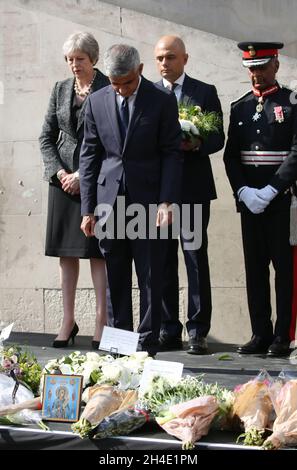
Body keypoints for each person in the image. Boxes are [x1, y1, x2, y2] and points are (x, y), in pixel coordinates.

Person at [79, 44, 182, 356]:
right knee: (116, 275)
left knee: (151, 274)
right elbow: (89, 156)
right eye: (115, 83)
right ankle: (118, 344)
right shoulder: (97, 101)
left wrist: (166, 201)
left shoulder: (162, 100)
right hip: (109, 202)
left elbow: (171, 153)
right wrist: (88, 209)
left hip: (148, 203)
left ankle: (148, 343)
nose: (121, 90)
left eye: (127, 82)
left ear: (139, 70)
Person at [224, 41, 297, 357]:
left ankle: (282, 336)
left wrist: (271, 190)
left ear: (276, 66)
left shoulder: (291, 104)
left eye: (262, 67)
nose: (256, 74)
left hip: (279, 201)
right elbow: (231, 157)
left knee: (284, 271)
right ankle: (260, 333)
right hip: (250, 201)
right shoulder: (239, 107)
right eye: (251, 69)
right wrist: (243, 191)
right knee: (255, 270)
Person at [154, 36, 225, 354]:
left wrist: (197, 142)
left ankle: (197, 330)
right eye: (159, 58)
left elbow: (218, 136)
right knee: (163, 260)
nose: (164, 63)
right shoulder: (149, 93)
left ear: (185, 58)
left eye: (170, 57)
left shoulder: (204, 91)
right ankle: (169, 329)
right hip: (161, 194)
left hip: (193, 190)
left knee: (195, 259)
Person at [39, 32, 109, 349]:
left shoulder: (109, 87)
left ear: (93, 59)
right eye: (70, 59)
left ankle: (101, 321)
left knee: (96, 253)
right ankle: (68, 320)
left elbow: (113, 140)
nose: (74, 65)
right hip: (62, 183)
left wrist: (82, 175)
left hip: (95, 184)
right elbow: (46, 137)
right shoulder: (59, 89)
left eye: (80, 59)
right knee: (66, 255)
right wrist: (61, 172)